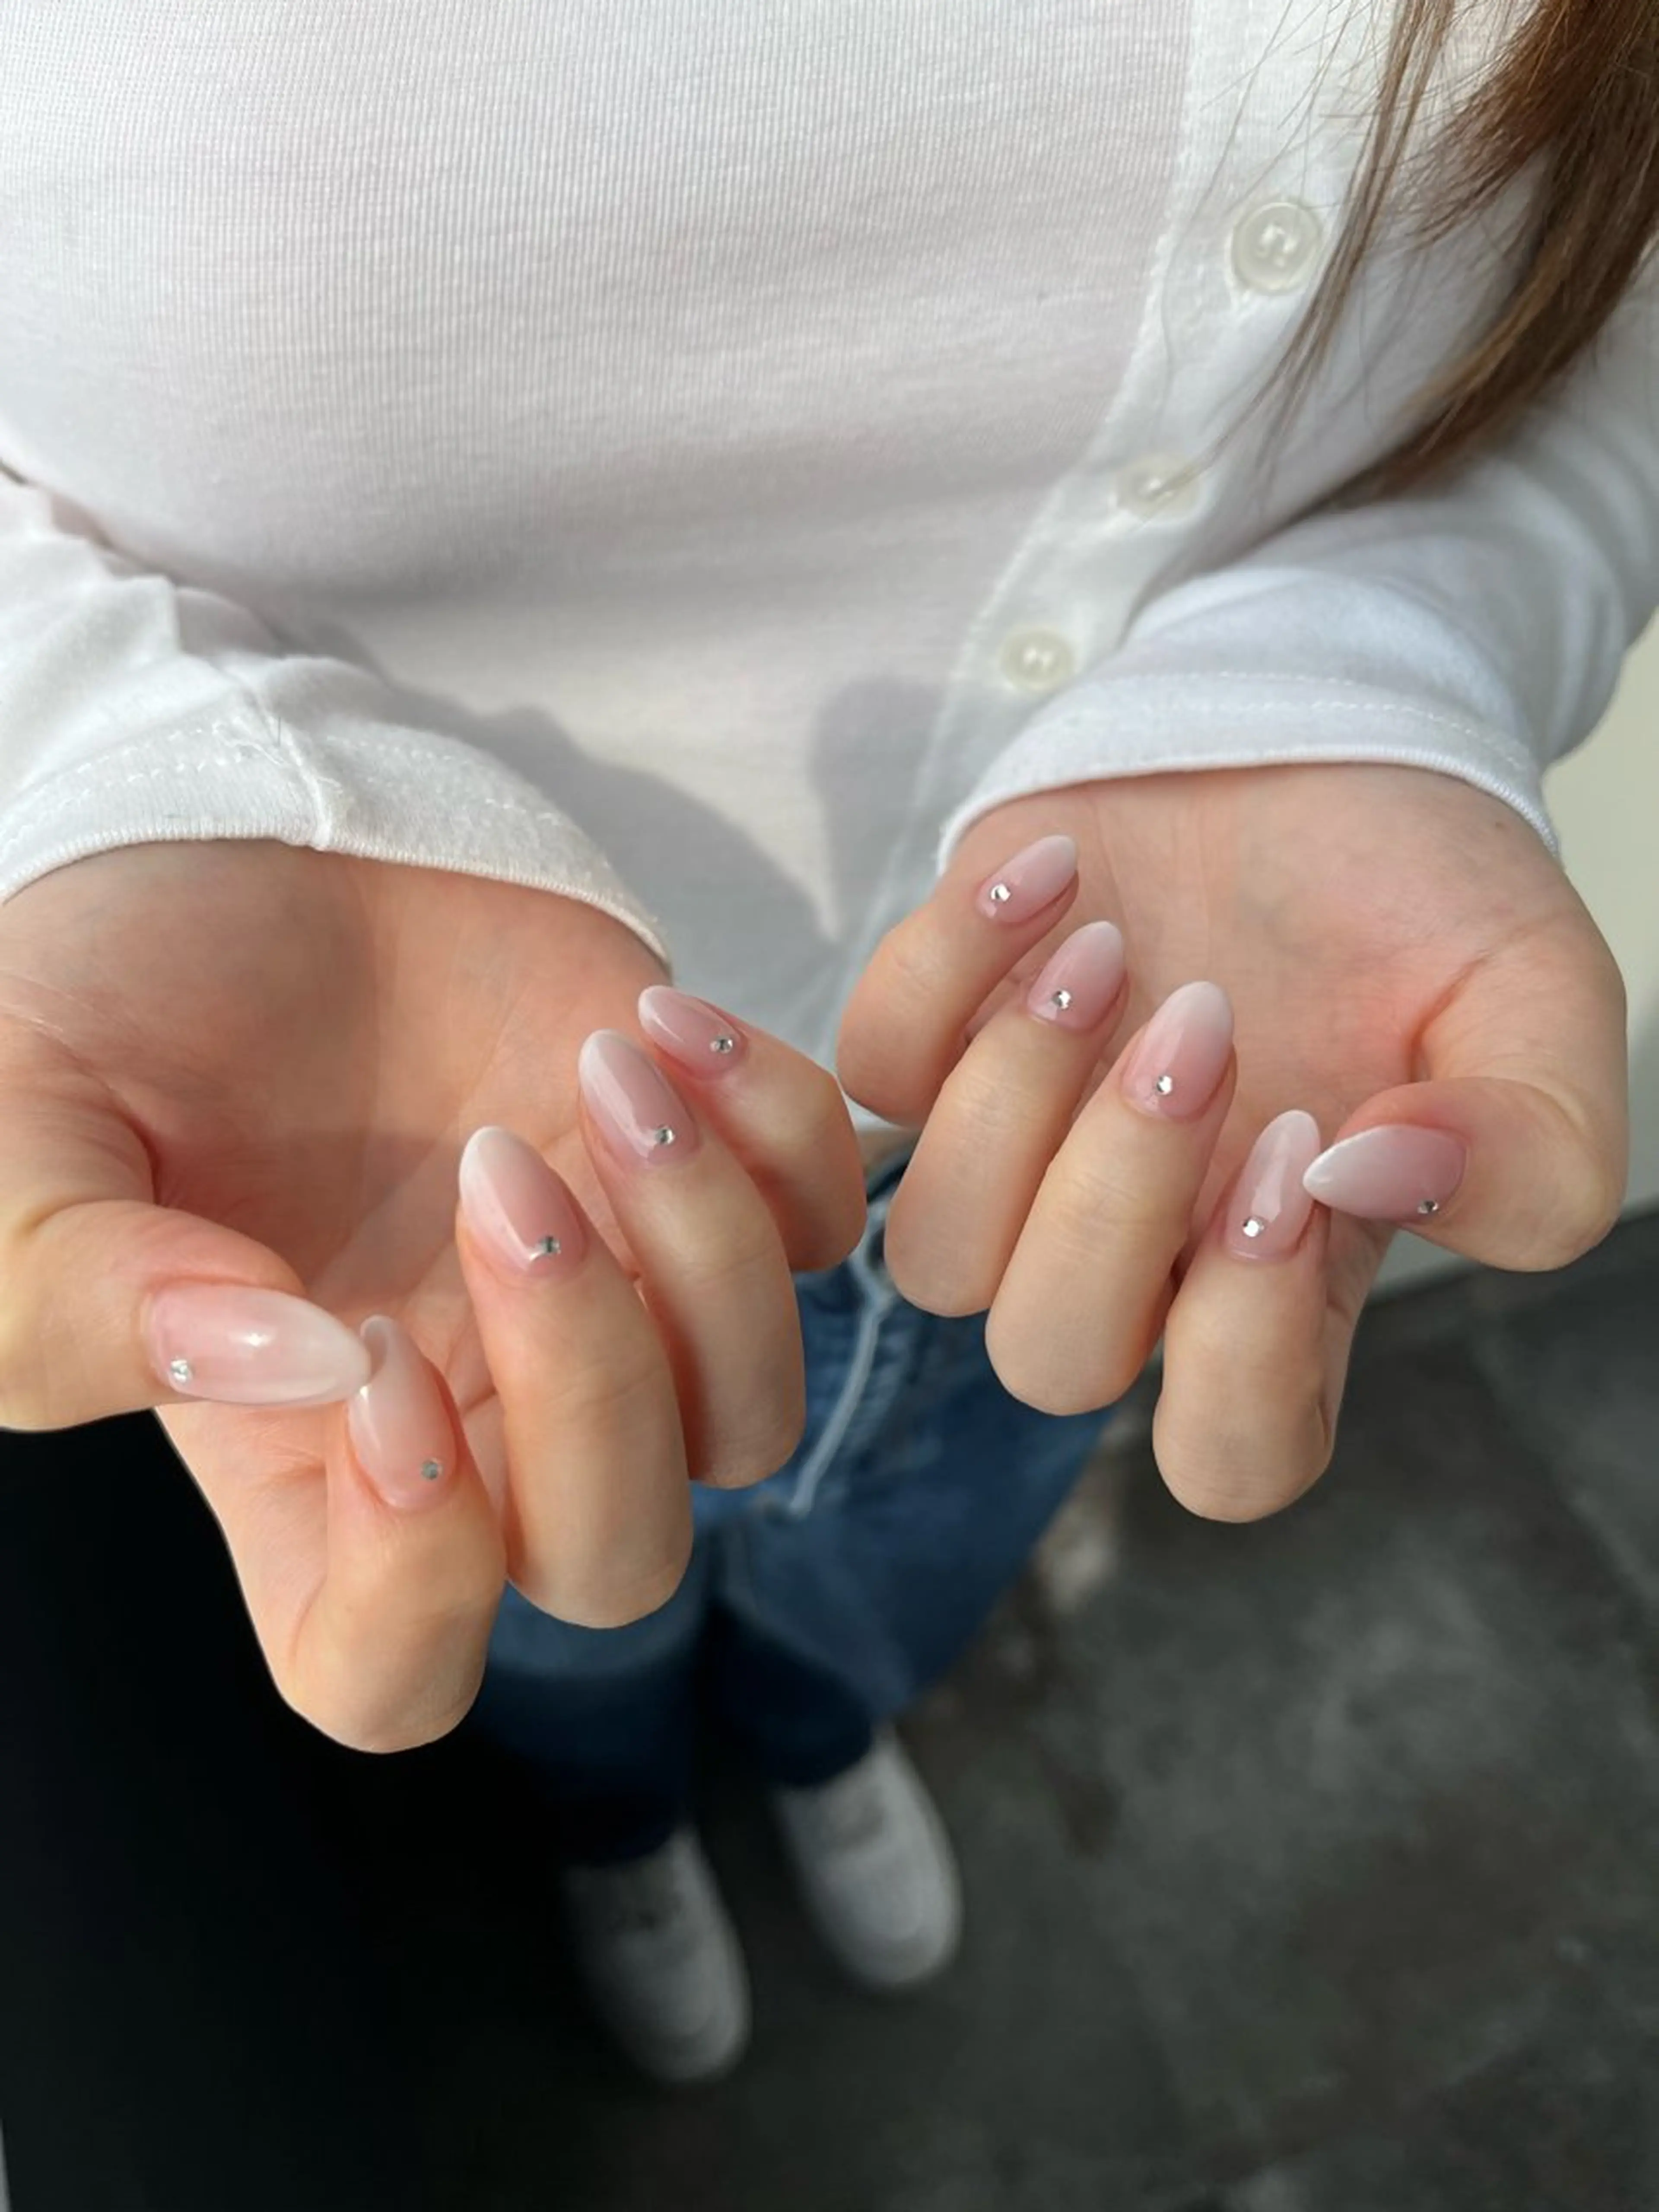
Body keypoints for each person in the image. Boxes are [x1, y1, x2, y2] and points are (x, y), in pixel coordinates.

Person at [0, 0, 1653, 2109]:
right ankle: (622, 1830)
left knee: (896, 1577)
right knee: (551, 1615)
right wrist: (118, 782)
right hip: (425, 1194)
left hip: (1100, 1138)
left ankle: (815, 1740)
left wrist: (1382, 664)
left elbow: (1625, 280)